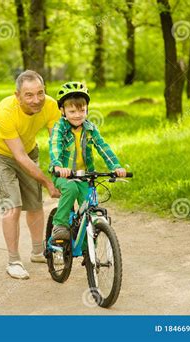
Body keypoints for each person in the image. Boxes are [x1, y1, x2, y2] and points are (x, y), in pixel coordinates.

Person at [0, 70, 61, 280]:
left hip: (28, 151)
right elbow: (18, 156)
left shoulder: (51, 106)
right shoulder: (5, 112)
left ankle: (38, 252)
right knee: (13, 205)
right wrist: (47, 182)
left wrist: (63, 169)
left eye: (40, 93)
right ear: (17, 96)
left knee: (35, 203)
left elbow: (57, 142)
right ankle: (14, 261)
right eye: (29, 95)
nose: (36, 100)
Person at [49, 81, 127, 239]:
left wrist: (116, 166)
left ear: (87, 110)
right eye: (72, 111)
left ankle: (89, 252)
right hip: (64, 175)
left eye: (82, 111)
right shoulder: (60, 128)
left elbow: (103, 147)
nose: (77, 115)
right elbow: (55, 146)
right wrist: (58, 166)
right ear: (62, 111)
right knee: (71, 189)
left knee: (89, 209)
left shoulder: (90, 128)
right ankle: (59, 224)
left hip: (85, 175)